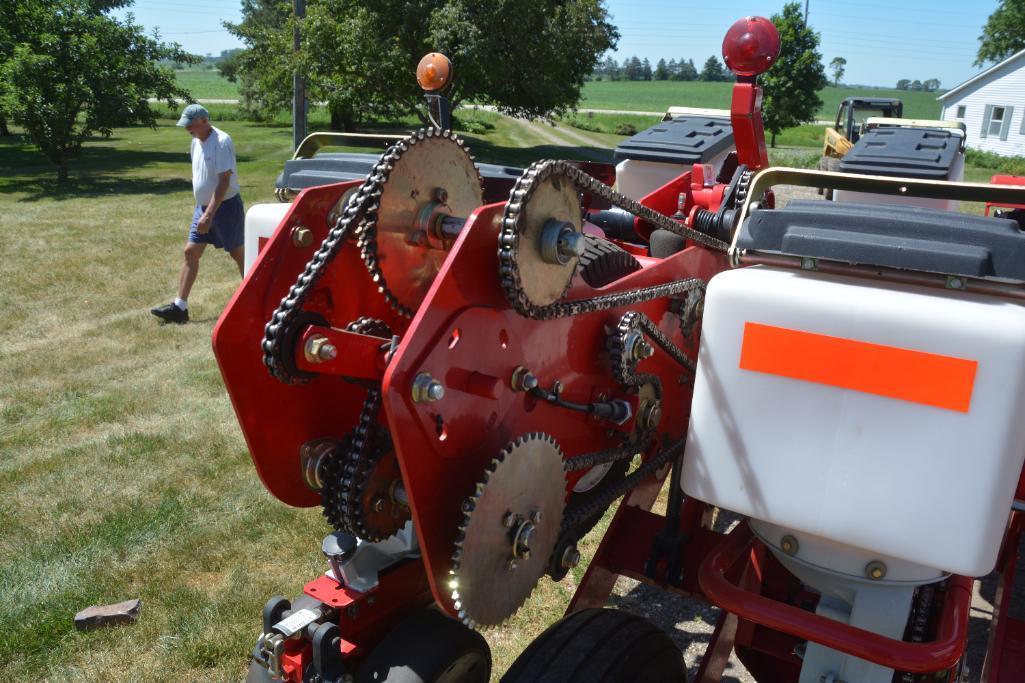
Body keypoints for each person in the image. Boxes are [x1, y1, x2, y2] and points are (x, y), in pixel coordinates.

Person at [151, 104, 244, 324]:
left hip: (226, 208)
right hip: (203, 209)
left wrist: (209, 215)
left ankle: (259, 299)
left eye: (191, 124)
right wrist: (203, 211)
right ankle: (179, 308)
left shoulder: (221, 142)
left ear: (203, 120)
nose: (188, 129)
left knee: (238, 254)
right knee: (190, 252)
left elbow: (223, 183)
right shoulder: (195, 141)